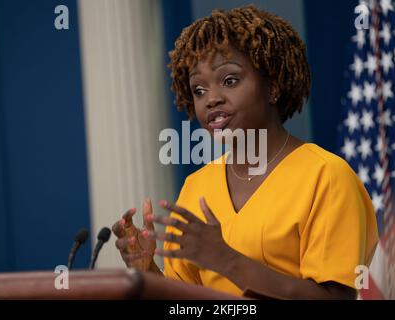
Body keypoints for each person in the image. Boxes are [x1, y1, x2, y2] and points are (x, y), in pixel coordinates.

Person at [112, 5, 378, 299]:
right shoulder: (196, 187)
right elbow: (186, 303)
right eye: (198, 90)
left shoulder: (326, 177)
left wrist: (227, 260)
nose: (211, 99)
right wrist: (148, 270)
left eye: (229, 81)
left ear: (273, 86)